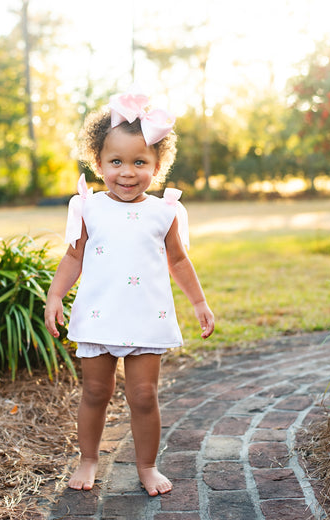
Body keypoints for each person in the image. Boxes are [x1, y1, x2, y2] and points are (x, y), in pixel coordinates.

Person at [44, 85, 214, 496]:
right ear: (98, 161)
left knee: (143, 396)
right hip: (99, 315)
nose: (127, 172)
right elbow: (73, 257)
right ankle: (88, 458)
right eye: (115, 161)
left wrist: (199, 302)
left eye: (140, 162)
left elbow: (177, 261)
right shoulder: (88, 206)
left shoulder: (164, 212)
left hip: (145, 316)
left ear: (157, 166)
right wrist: (54, 296)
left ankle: (146, 465)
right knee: (96, 392)